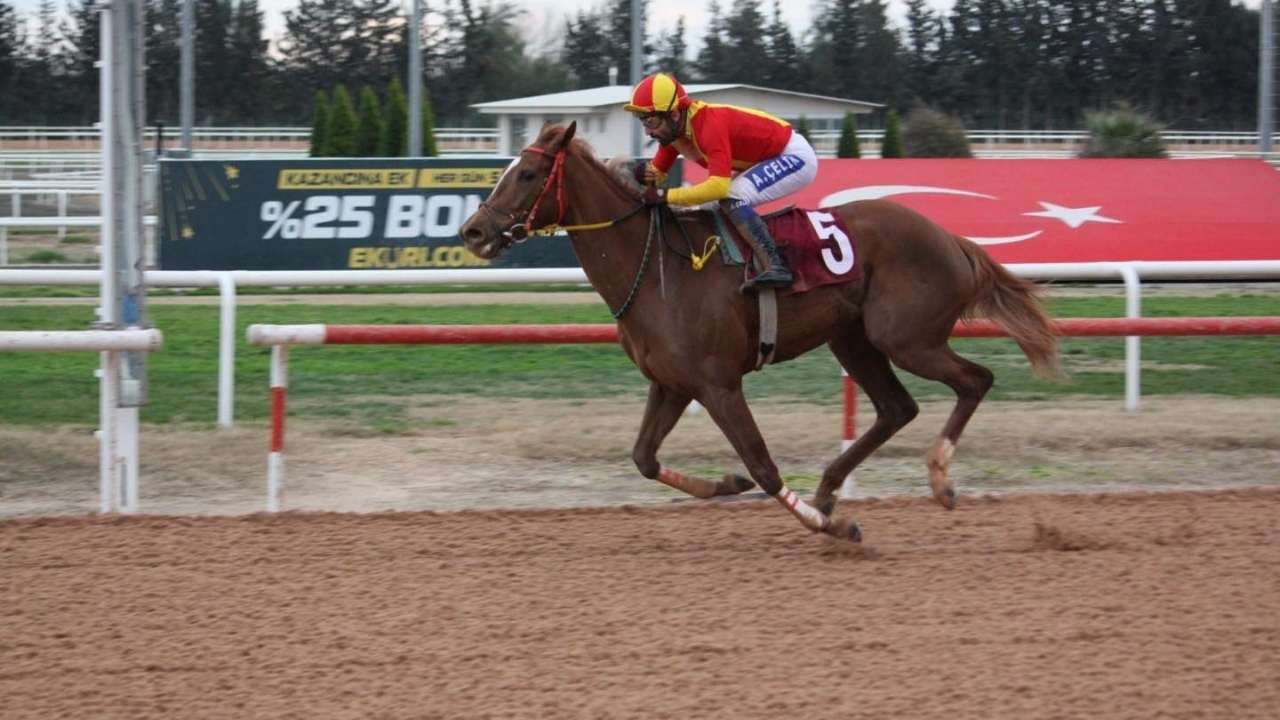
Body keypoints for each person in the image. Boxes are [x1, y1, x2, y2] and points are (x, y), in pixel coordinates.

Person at [625, 72, 819, 291]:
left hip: (793, 155)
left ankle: (777, 265)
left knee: (732, 196)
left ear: (674, 114)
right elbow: (656, 174)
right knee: (706, 208)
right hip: (764, 158)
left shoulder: (708, 125)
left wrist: (666, 196)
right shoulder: (673, 134)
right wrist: (644, 174)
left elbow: (719, 187)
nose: (648, 132)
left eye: (650, 121)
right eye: (642, 121)